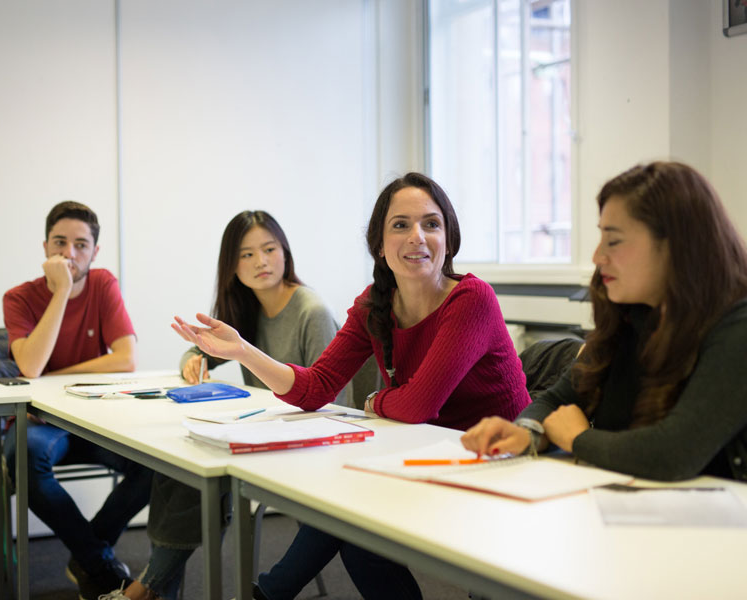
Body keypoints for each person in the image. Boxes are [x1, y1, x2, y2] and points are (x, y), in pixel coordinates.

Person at [173, 173, 531, 600]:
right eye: (400, 225)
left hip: (499, 462)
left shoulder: (471, 299)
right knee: (352, 523)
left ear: (449, 240)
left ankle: (266, 595)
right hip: (431, 452)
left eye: (431, 224)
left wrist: (374, 399)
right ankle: (267, 595)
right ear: (379, 244)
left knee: (350, 511)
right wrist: (244, 352)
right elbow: (315, 387)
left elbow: (419, 404)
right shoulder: (373, 305)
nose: (417, 236)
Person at [103, 210, 351, 600]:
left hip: (314, 442)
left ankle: (145, 590)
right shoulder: (246, 309)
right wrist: (193, 360)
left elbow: (332, 402)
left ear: (285, 252)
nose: (261, 262)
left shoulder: (311, 311)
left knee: (197, 468)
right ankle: (153, 589)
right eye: (246, 255)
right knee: (179, 460)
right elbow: (201, 348)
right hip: (271, 433)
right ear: (232, 266)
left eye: (269, 249)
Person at [461, 161, 747, 483]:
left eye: (613, 241)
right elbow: (556, 400)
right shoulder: (630, 316)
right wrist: (528, 433)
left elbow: (674, 454)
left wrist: (578, 439)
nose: (597, 256)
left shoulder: (737, 327)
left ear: (675, 246)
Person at [2, 201, 152, 600]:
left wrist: (53, 377)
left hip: (92, 418)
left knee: (159, 463)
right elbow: (31, 366)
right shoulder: (18, 298)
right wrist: (62, 292)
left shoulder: (103, 284)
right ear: (45, 247)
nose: (70, 254)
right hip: (39, 422)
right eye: (60, 243)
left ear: (95, 252)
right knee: (23, 457)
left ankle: (89, 556)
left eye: (81, 245)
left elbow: (126, 358)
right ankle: (101, 563)